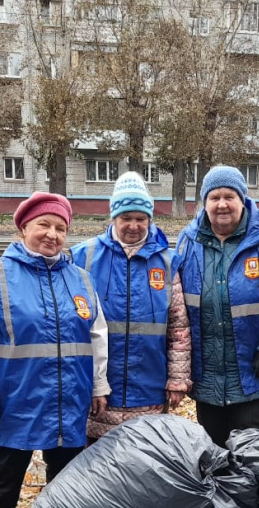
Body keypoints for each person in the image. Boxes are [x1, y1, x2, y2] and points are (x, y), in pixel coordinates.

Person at [0, 192, 110, 508]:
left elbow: (96, 337)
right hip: (17, 399)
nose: (52, 234)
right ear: (23, 227)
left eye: (60, 228)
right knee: (4, 479)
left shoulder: (81, 280)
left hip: (69, 398)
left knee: (66, 483)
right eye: (43, 224)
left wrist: (99, 385)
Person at [173, 165, 259, 447]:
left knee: (252, 450)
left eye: (229, 196)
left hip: (253, 370)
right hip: (206, 372)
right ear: (204, 203)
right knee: (213, 448)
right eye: (214, 197)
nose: (222, 204)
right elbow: (176, 305)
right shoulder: (188, 242)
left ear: (243, 199)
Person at [70, 172, 191, 439]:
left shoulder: (168, 262)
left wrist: (178, 379)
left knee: (144, 464)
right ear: (113, 217)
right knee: (97, 465)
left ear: (150, 219)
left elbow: (178, 327)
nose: (134, 225)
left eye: (141, 218)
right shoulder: (83, 256)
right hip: (99, 388)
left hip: (149, 387)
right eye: (126, 217)